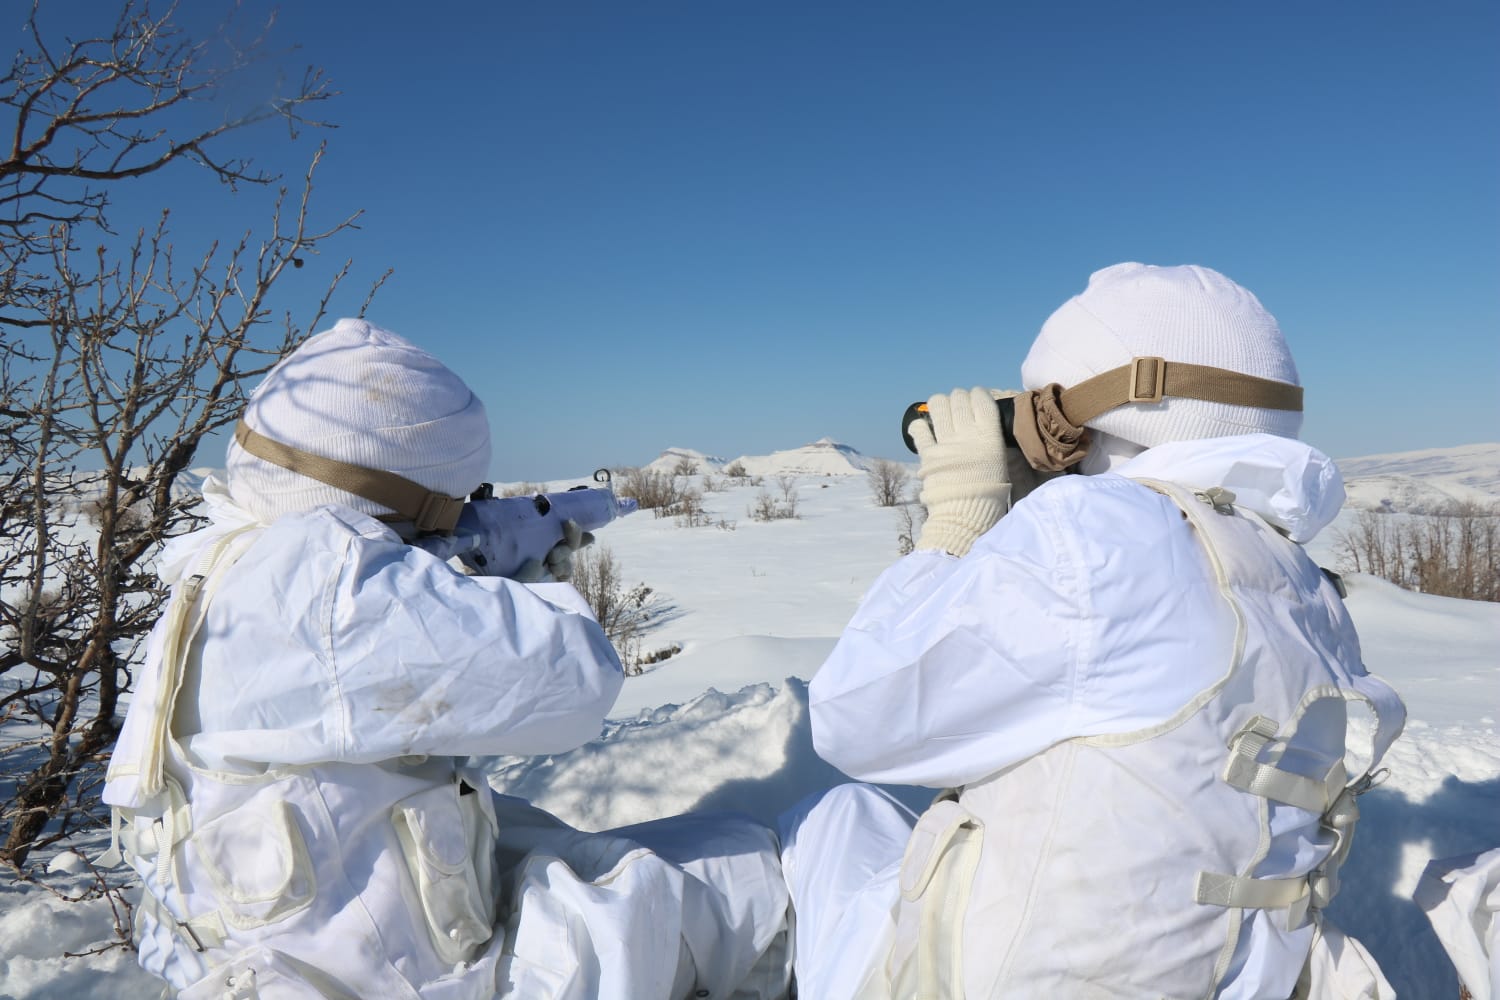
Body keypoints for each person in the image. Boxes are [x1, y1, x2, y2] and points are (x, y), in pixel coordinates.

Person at [102, 319, 790, 1000]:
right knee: (757, 873)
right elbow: (579, 684)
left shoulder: (230, 556)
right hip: (386, 977)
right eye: (461, 498)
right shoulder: (328, 584)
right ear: (416, 493)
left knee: (565, 847)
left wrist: (462, 566)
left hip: (278, 952)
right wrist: (520, 589)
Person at [779, 263, 1407, 998]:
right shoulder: (1300, 581)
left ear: (1083, 417)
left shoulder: (1097, 532)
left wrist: (958, 518)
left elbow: (855, 718)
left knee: (830, 818)